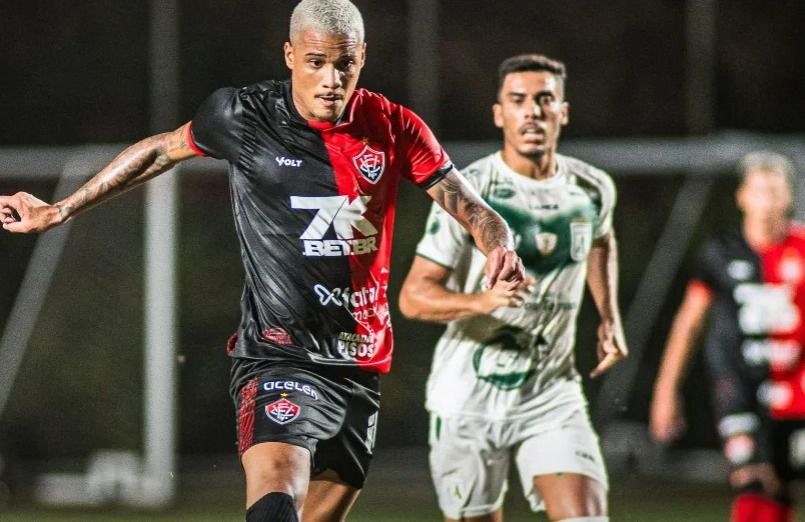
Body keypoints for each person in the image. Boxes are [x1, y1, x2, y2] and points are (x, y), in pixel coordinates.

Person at [0, 1, 525, 520]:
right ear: (290, 55)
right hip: (277, 355)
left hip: (359, 363)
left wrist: (498, 244)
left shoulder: (394, 127)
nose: (331, 79)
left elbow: (472, 206)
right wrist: (62, 209)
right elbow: (162, 150)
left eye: (344, 63)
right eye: (316, 62)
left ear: (362, 57)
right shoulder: (244, 116)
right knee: (277, 488)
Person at [399, 54, 627, 522]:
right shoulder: (468, 192)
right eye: (518, 101)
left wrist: (608, 317)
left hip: (552, 393)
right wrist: (484, 301)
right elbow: (413, 296)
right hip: (468, 400)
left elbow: (602, 241)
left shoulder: (592, 187)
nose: (532, 112)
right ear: (499, 114)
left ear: (563, 111)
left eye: (545, 100)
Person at [650, 151, 805, 522]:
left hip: (796, 392)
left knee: (779, 492)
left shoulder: (801, 248)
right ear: (742, 197)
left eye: (775, 191)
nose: (767, 201)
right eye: (759, 190)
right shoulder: (720, 254)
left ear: (789, 197)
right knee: (752, 481)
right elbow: (688, 323)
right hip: (739, 390)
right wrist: (665, 390)